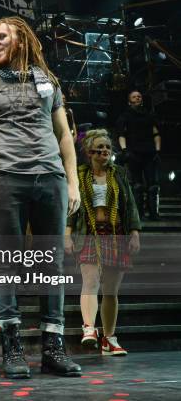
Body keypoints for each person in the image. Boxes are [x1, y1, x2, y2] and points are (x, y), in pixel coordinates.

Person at [0, 16, 82, 378]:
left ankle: (52, 349)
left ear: (21, 40)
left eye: (1, 36)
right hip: (8, 180)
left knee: (52, 266)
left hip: (51, 179)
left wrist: (72, 182)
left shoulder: (48, 82)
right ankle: (12, 349)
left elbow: (64, 135)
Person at [65, 129, 140, 357]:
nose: (105, 151)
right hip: (89, 234)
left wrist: (135, 232)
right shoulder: (79, 174)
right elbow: (73, 207)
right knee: (90, 281)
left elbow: (130, 205)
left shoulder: (118, 174)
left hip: (116, 235)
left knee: (111, 291)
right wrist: (67, 233)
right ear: (89, 151)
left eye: (108, 148)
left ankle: (109, 338)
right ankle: (89, 328)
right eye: (100, 147)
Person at [117, 90, 162, 220]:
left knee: (152, 185)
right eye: (134, 96)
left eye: (139, 96)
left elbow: (156, 133)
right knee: (137, 185)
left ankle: (154, 213)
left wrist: (157, 151)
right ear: (129, 100)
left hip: (149, 153)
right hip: (134, 153)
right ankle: (139, 214)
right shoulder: (125, 116)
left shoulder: (149, 115)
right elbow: (122, 134)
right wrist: (125, 151)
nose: (137, 98)